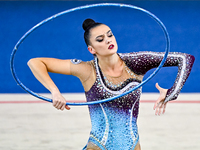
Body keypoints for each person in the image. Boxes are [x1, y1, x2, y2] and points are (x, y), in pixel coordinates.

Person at [27, 18, 195, 150]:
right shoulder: (87, 70)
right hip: (99, 145)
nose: (108, 40)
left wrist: (173, 92)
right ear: (91, 49)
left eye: (110, 35)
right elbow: (35, 62)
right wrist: (55, 92)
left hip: (132, 145)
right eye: (100, 39)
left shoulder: (136, 62)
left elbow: (185, 59)